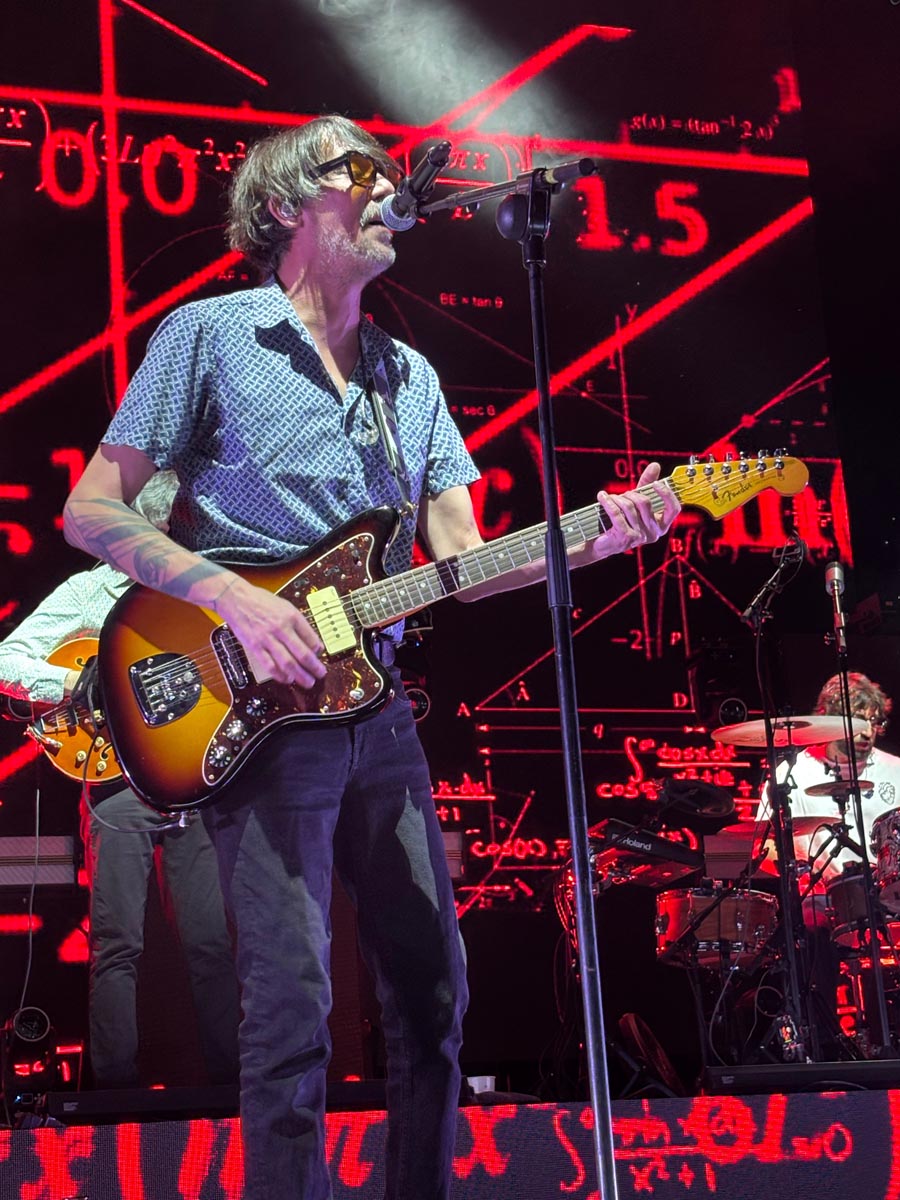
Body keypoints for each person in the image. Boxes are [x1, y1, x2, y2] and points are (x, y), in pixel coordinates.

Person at [61, 115, 681, 1199]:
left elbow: (461, 560)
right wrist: (230, 602)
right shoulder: (209, 336)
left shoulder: (412, 380)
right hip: (249, 695)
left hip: (373, 702)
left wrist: (595, 532)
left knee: (436, 999)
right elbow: (91, 509)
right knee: (292, 1008)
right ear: (291, 206)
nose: (391, 189)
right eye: (364, 173)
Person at [0, 472, 240, 1089]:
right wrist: (74, 685)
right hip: (118, 784)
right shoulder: (90, 592)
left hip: (195, 780)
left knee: (212, 944)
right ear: (156, 529)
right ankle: (114, 1096)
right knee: (117, 944)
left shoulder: (213, 590)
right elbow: (6, 659)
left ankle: (232, 1088)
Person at [760, 671, 900, 1055]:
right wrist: (806, 874)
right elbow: (766, 846)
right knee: (810, 926)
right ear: (828, 720)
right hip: (822, 897)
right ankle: (830, 1044)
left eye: (875, 722)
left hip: (891, 893)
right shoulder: (791, 774)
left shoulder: (895, 769)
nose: (868, 733)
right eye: (858, 722)